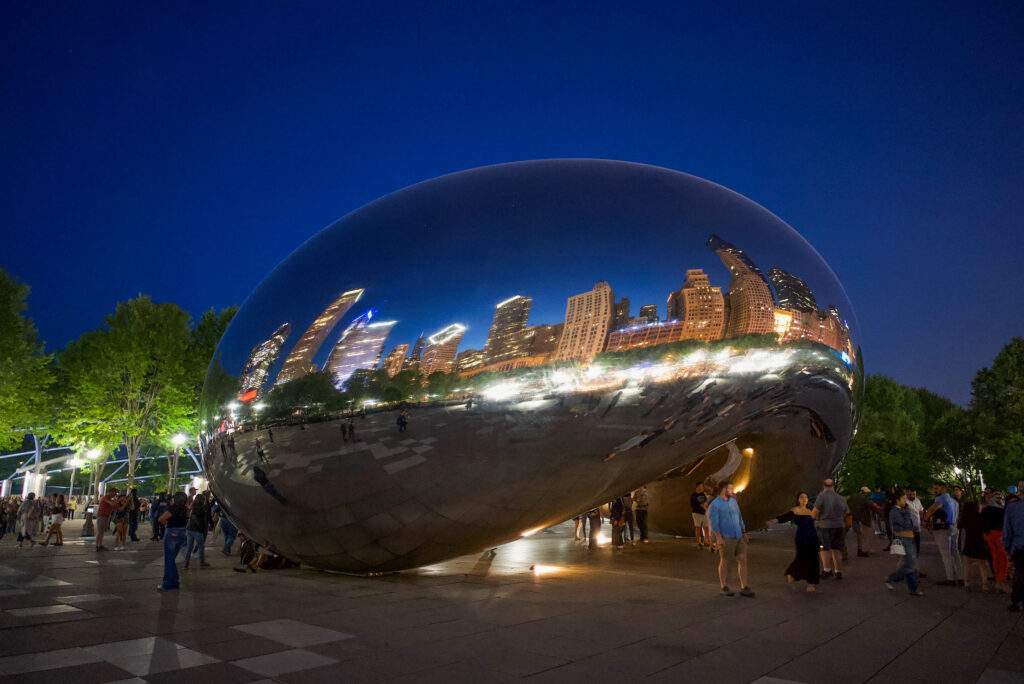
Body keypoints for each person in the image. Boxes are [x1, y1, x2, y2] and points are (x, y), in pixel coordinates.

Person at [707, 481, 754, 597]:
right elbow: (714, 523)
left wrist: (744, 532)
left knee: (742, 559)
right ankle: (724, 586)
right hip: (726, 537)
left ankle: (744, 587)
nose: (732, 490)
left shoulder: (733, 501)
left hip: (738, 535)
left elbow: (739, 517)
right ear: (724, 489)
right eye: (730, 488)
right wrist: (718, 537)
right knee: (725, 561)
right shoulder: (715, 504)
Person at [775, 492, 820, 592]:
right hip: (801, 538)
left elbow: (819, 519)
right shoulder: (795, 510)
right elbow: (784, 517)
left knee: (814, 559)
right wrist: (774, 520)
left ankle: (811, 583)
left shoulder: (811, 510)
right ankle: (792, 573)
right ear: (798, 499)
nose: (804, 499)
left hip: (813, 537)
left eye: (806, 497)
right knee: (801, 558)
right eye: (801, 497)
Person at [885, 490, 924, 596]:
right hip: (903, 539)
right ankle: (891, 578)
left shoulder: (902, 510)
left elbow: (911, 525)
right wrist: (907, 512)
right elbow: (905, 524)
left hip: (910, 539)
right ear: (897, 500)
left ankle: (913, 588)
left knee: (911, 564)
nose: (905, 501)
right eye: (903, 499)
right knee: (910, 565)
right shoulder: (894, 511)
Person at [925, 482, 963, 586]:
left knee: (946, 554)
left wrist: (925, 519)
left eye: (937, 488)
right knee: (955, 553)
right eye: (934, 488)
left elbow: (933, 509)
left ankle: (950, 579)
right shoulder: (954, 501)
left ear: (944, 488)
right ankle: (961, 577)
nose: (935, 490)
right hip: (954, 528)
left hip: (943, 529)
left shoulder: (941, 498)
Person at [812, 478, 849, 579]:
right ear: (833, 486)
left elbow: (814, 512)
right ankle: (838, 571)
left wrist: (814, 519)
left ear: (823, 486)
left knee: (824, 548)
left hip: (824, 526)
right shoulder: (841, 498)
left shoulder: (821, 496)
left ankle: (827, 570)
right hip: (839, 526)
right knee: (836, 549)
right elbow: (846, 512)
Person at [157, 492, 190, 591]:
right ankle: (174, 581)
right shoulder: (185, 509)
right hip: (182, 533)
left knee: (169, 559)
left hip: (172, 532)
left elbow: (161, 519)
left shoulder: (173, 508)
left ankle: (168, 584)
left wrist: (167, 524)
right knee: (171, 559)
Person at [959, 500, 991, 592]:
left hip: (969, 542)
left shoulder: (965, 518)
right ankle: (984, 585)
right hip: (981, 543)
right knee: (982, 565)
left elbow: (959, 526)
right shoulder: (981, 517)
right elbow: (987, 530)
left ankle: (967, 584)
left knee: (967, 564)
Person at [982, 492, 1009, 593]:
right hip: (999, 535)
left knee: (995, 558)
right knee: (1003, 559)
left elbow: (983, 523)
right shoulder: (1002, 510)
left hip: (988, 535)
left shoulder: (985, 509)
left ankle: (998, 580)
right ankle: (1000, 581)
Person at [1003, 488, 1024, 611]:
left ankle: (1017, 602)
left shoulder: (1012, 507)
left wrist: (1007, 548)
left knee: (1019, 574)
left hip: (1019, 546)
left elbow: (1007, 530)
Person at [184, 491, 211, 569]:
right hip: (197, 530)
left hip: (189, 529)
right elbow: (202, 520)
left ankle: (186, 564)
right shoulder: (202, 508)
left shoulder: (193, 506)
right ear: (202, 500)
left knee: (189, 547)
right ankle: (202, 562)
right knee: (201, 547)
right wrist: (203, 529)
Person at [847, 486, 876, 557]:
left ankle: (860, 550)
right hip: (863, 519)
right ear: (865, 493)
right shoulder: (864, 499)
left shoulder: (852, 498)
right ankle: (864, 550)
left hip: (854, 518)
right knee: (865, 535)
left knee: (859, 535)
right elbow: (872, 506)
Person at [95, 487, 118, 552]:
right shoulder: (105, 498)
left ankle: (100, 545)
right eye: (114, 493)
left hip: (106, 517)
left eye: (115, 493)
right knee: (100, 531)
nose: (115, 495)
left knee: (102, 532)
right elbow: (112, 504)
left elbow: (115, 507)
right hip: (102, 516)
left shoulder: (109, 499)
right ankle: (97, 546)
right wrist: (116, 501)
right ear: (110, 492)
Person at [690, 483, 711, 549]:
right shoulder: (694, 495)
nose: (702, 488)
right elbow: (701, 504)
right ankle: (698, 542)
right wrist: (706, 508)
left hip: (704, 513)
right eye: (701, 486)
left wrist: (707, 508)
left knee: (706, 528)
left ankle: (706, 541)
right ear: (697, 487)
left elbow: (705, 503)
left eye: (702, 486)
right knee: (698, 528)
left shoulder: (703, 494)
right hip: (696, 513)